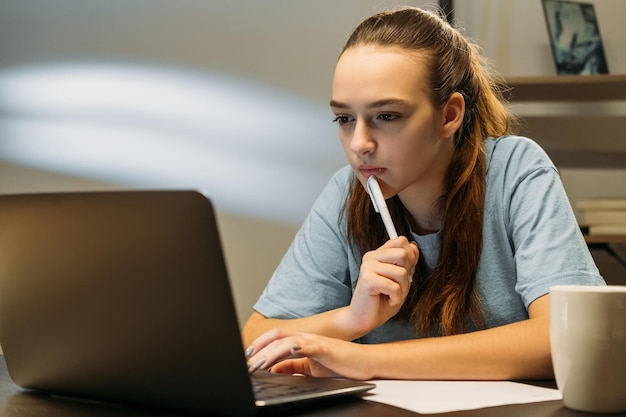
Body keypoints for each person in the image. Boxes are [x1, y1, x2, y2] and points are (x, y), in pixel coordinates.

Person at [242, 6, 605, 381]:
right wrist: (353, 319)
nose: (359, 144)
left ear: (449, 115)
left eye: (386, 116)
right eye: (345, 119)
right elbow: (254, 342)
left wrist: (364, 360)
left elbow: (566, 336)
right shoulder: (346, 192)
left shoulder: (516, 170)